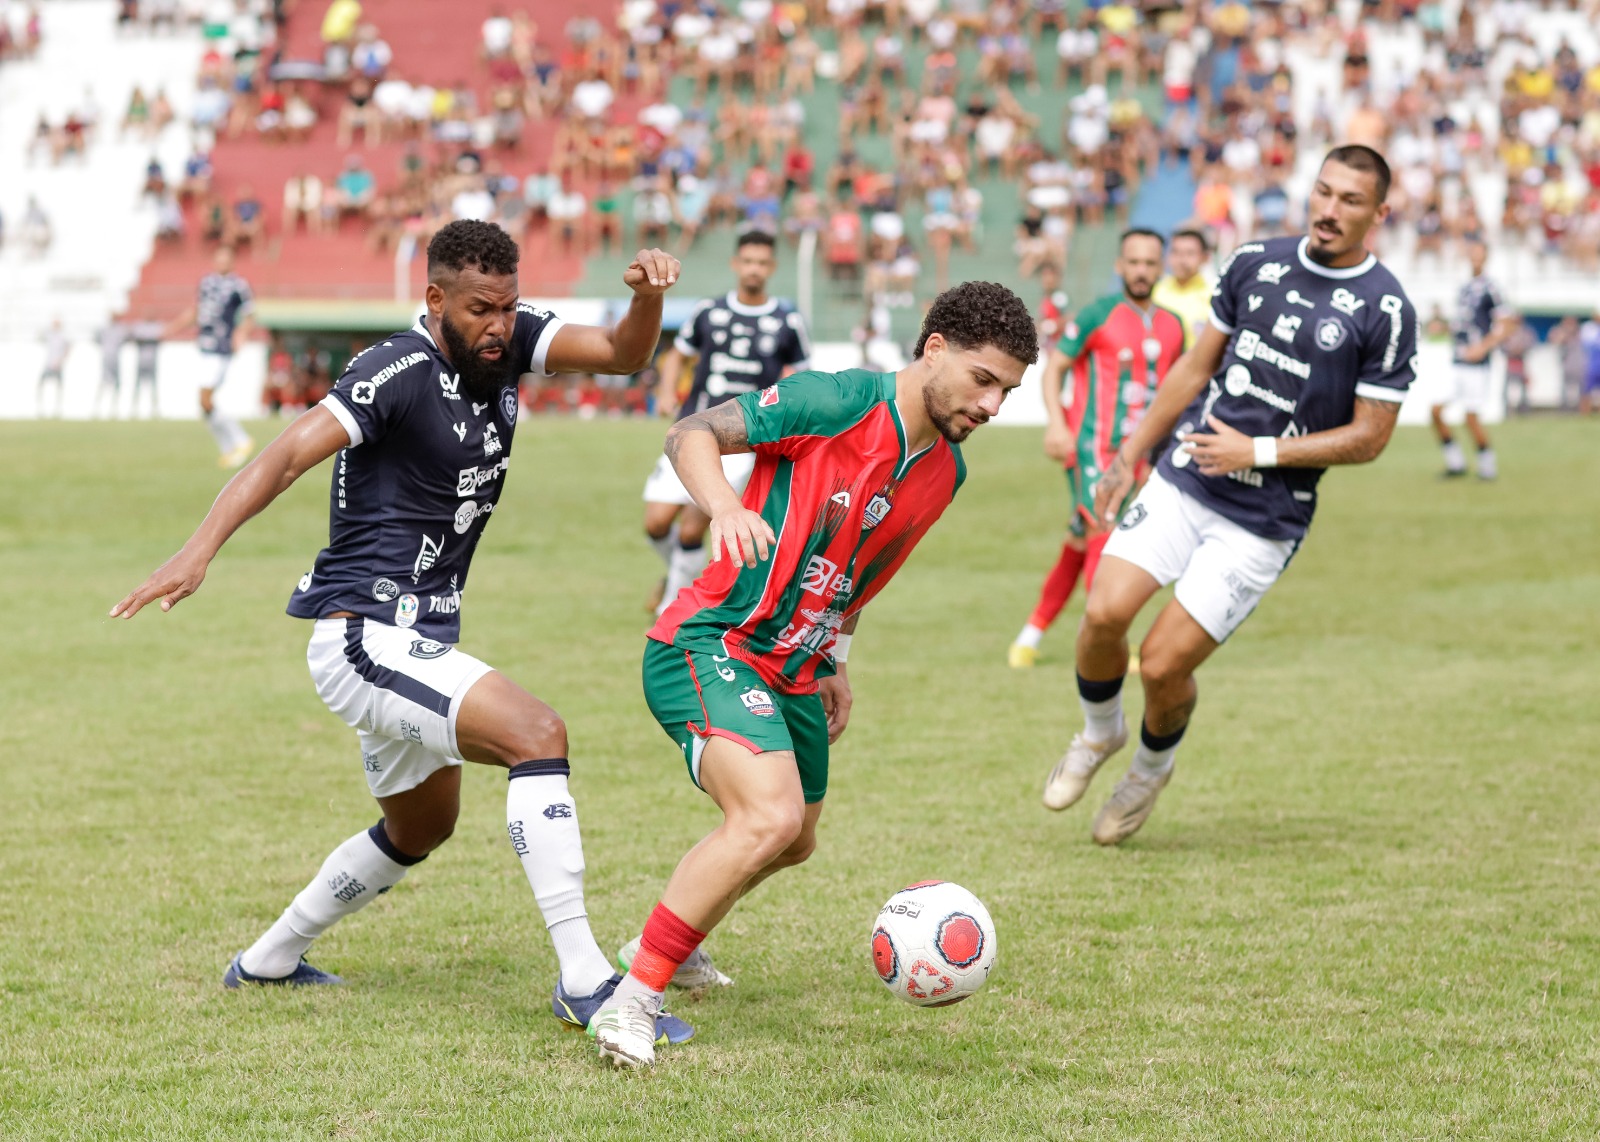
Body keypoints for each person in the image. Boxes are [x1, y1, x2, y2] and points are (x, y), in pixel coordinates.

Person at [110, 222, 696, 1044]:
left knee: (422, 828)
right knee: (538, 734)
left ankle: (269, 960)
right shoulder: (393, 368)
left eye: (509, 307)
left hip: (417, 637)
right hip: (363, 637)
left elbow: (623, 353)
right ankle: (587, 982)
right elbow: (283, 456)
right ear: (436, 299)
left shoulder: (511, 339)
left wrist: (647, 299)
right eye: (482, 310)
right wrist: (196, 553)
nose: (500, 327)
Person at [590, 281, 1039, 1068]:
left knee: (794, 838)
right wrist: (726, 506)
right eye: (984, 379)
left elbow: (864, 569)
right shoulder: (834, 400)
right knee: (766, 817)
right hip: (712, 640)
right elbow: (689, 432)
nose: (994, 405)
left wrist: (834, 659)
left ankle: (674, 939)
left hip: (797, 665)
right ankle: (633, 997)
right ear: (934, 349)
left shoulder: (946, 472)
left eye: (1008, 390)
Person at [1040, 145, 1418, 845]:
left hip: (1264, 520)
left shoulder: (1385, 309)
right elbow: (1194, 368)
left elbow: (1370, 436)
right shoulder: (1255, 261)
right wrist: (1130, 453)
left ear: (1379, 213)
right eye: (1324, 192)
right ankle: (1099, 734)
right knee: (1101, 616)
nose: (1330, 211)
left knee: (1161, 665)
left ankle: (1151, 769)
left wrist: (1261, 451)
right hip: (1188, 477)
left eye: (1351, 201)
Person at [1009, 230, 1186, 668]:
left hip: (1140, 457)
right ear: (1119, 266)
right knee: (1104, 536)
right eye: (1134, 262)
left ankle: (1029, 637)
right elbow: (1055, 369)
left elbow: (1176, 390)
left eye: (1150, 262)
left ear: (1160, 267)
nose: (1141, 270)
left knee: (1079, 540)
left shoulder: (1173, 326)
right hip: (1093, 451)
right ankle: (1109, 644)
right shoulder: (1096, 315)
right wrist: (1056, 423)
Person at [642, 231, 811, 615]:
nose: (754, 269)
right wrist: (667, 392)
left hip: (742, 442)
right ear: (736, 264)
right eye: (748, 261)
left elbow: (801, 379)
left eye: (762, 263)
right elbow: (676, 355)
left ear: (772, 268)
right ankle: (676, 577)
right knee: (655, 523)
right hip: (692, 431)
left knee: (690, 529)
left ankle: (672, 608)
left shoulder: (787, 320)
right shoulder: (709, 311)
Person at [163, 246, 257, 467]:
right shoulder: (206, 282)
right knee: (204, 405)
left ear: (232, 261)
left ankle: (241, 439)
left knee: (205, 399)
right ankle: (229, 449)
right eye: (219, 258)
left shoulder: (239, 285)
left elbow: (250, 315)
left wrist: (241, 335)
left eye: (226, 259)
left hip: (221, 349)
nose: (222, 262)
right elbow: (196, 312)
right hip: (204, 347)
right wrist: (173, 327)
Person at [1430, 238, 1513, 480]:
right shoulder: (1465, 288)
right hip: (1457, 360)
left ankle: (1488, 467)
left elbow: (1506, 323)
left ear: (1486, 256)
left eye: (1479, 253)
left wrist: (1483, 347)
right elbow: (1463, 324)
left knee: (1471, 416)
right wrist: (1443, 328)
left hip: (1476, 365)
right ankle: (1455, 463)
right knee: (1435, 411)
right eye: (1472, 253)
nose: (1475, 257)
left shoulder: (1491, 287)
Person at [1150, 227, 1215, 349]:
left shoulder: (1213, 296)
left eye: (1190, 253)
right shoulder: (1155, 291)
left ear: (1205, 258)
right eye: (1176, 252)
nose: (1181, 260)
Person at [37, 318, 70, 418]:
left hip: (58, 366)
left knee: (59, 387)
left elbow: (68, 348)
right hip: (48, 364)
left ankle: (57, 409)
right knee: (41, 385)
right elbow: (39, 336)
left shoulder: (62, 336)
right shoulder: (50, 334)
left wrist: (61, 361)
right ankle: (41, 408)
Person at [95, 322, 128, 418]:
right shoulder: (104, 330)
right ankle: (97, 408)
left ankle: (115, 408)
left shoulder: (120, 329)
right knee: (103, 383)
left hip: (115, 360)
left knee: (116, 384)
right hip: (107, 360)